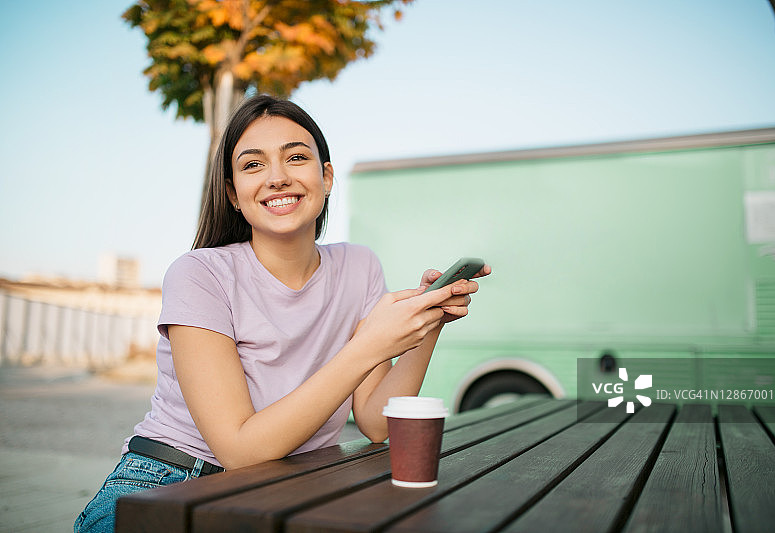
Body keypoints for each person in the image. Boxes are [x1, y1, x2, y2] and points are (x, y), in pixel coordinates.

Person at [74, 94, 490, 532]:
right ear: (233, 193)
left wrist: (427, 324)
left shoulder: (359, 265)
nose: (277, 177)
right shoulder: (198, 274)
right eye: (253, 165)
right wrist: (368, 345)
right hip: (171, 482)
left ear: (326, 177)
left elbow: (375, 422)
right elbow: (237, 449)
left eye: (295, 157)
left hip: (291, 484)